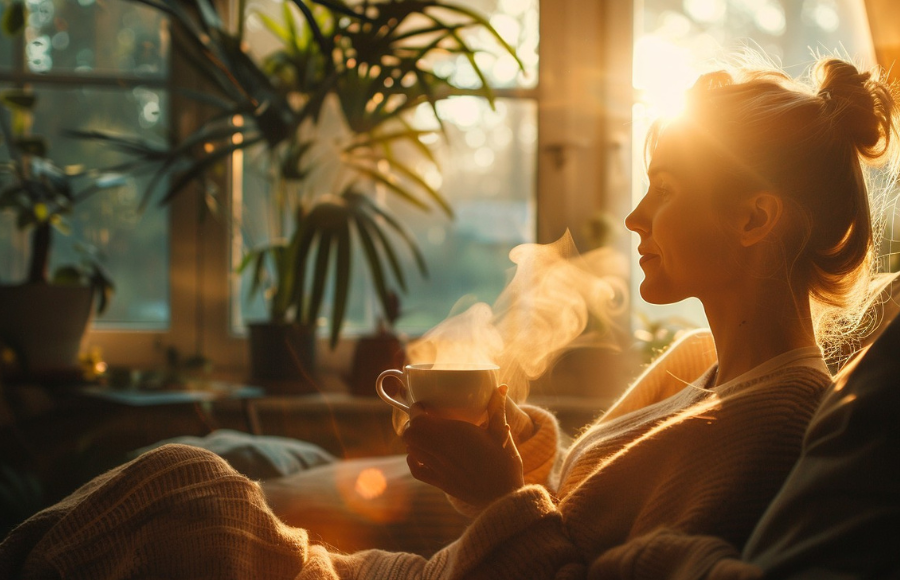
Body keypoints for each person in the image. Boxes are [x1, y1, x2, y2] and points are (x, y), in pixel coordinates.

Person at [1, 55, 897, 580]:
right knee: (185, 489)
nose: (634, 218)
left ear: (754, 217)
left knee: (190, 500)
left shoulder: (779, 419)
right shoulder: (700, 359)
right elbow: (579, 509)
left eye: (664, 190)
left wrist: (495, 495)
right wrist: (516, 453)